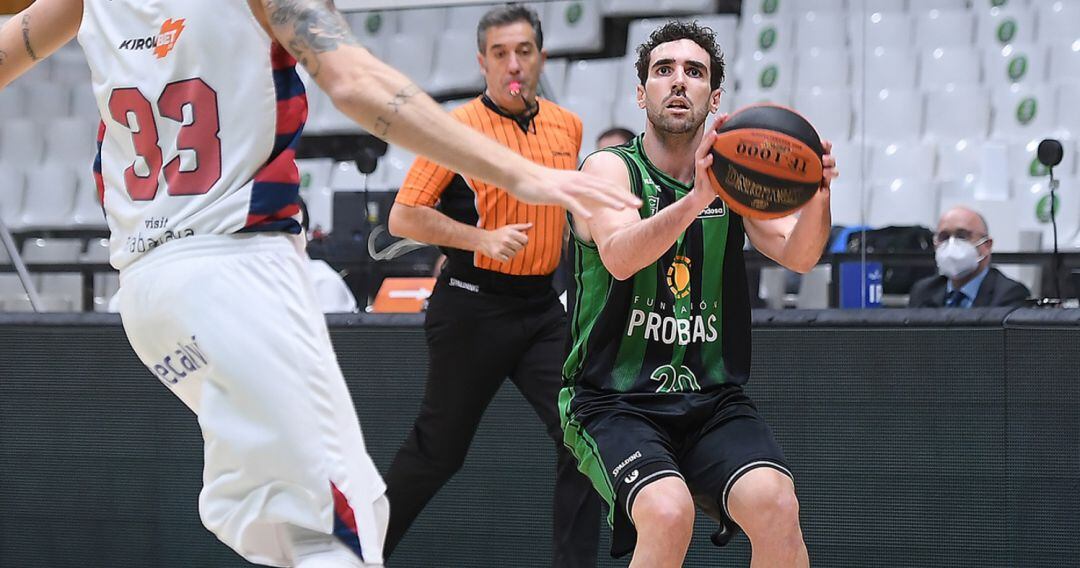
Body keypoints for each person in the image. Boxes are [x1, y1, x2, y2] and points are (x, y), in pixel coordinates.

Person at [0, 2, 636, 567]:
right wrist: (527, 177)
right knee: (344, 532)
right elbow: (355, 83)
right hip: (234, 271)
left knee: (288, 526)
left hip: (146, 294)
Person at [562, 21, 837, 567]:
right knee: (668, 513)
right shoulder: (608, 170)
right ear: (642, 93)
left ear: (714, 98)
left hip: (710, 398)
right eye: (664, 70)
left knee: (777, 504)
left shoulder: (735, 181)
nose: (678, 81)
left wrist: (817, 195)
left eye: (694, 71)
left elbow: (801, 255)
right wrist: (695, 199)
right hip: (613, 400)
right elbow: (619, 257)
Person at [383, 5, 600, 566]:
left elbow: (568, 212)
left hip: (540, 311)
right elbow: (403, 218)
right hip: (471, 309)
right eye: (500, 53)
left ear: (541, 57)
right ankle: (356, 553)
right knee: (438, 453)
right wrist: (479, 239)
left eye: (523, 51)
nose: (513, 64)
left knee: (582, 435)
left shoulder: (567, 125)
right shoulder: (455, 129)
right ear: (482, 61)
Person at [908, 206, 1030, 308]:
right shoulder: (923, 292)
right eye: (944, 237)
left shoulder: (1009, 294)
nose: (952, 244)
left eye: (962, 236)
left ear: (987, 245)